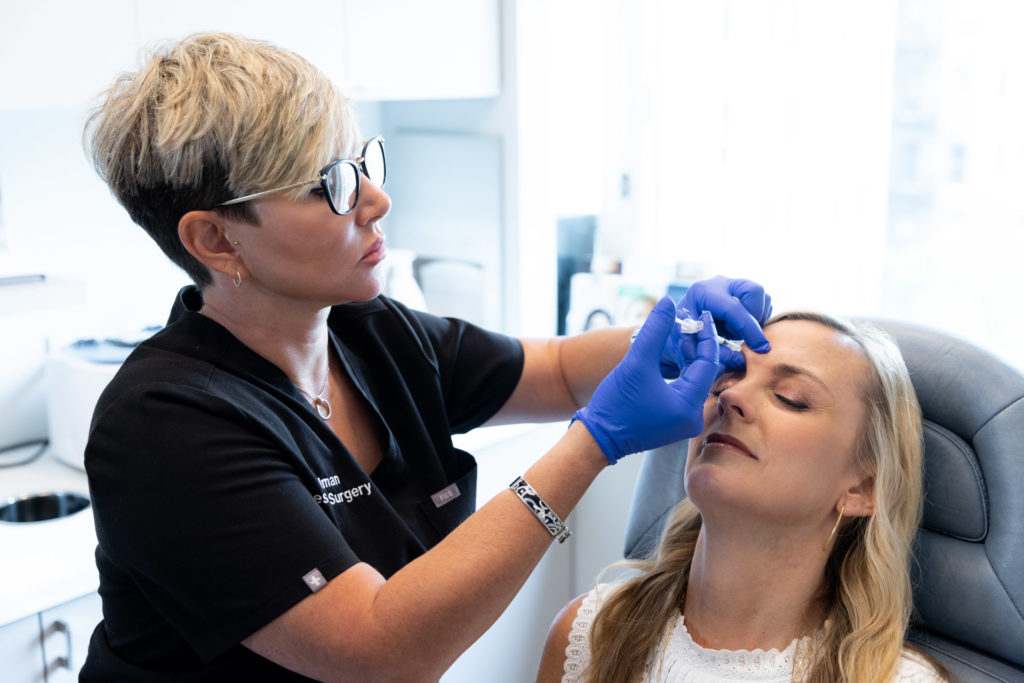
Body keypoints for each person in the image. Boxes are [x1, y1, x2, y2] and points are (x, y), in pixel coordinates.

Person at [78, 32, 774, 681]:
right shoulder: (163, 427)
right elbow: (379, 651)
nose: (376, 200)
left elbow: (558, 370)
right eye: (331, 187)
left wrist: (682, 329)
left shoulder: (370, 332)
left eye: (361, 164)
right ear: (217, 241)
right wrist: (594, 441)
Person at [538, 312, 949, 682]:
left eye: (791, 398)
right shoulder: (589, 633)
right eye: (721, 383)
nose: (730, 397)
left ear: (862, 488)